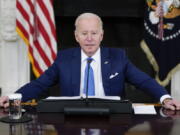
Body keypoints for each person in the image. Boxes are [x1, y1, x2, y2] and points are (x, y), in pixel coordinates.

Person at [0, 13, 180, 110]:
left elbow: (144, 81)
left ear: (101, 35)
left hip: (112, 119)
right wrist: (15, 98)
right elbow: (40, 84)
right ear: (76, 36)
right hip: (71, 119)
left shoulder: (118, 57)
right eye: (84, 34)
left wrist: (165, 98)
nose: (89, 38)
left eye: (94, 33)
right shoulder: (64, 58)